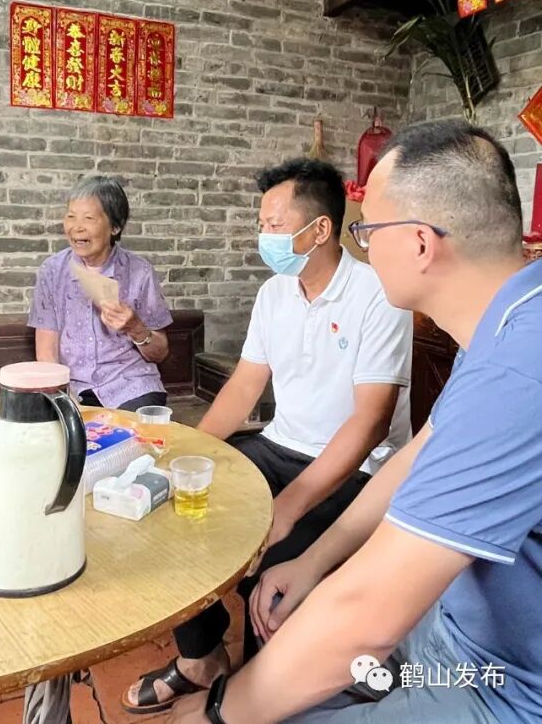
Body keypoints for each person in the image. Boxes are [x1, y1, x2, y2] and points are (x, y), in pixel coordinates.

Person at [168, 121, 542, 724]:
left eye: (369, 230)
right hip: (454, 629)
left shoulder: (517, 368)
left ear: (419, 244)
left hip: (500, 685)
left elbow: (368, 610)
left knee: (275, 701)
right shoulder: (510, 322)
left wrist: (220, 713)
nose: (363, 244)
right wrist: (315, 562)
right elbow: (420, 452)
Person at [124, 159, 413, 714]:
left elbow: (370, 422)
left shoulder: (377, 294)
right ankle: (202, 657)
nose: (264, 237)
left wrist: (288, 505)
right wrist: (185, 453)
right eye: (262, 224)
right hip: (277, 445)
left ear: (320, 229)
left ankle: (259, 694)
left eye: (275, 224)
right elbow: (243, 387)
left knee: (273, 556)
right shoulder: (275, 293)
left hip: (353, 468)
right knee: (172, 507)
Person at [29, 175, 173, 412]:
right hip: (73, 387)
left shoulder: (140, 272)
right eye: (71, 216)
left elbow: (160, 353)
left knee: (131, 430)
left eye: (88, 218)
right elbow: (46, 352)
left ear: (115, 227)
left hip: (130, 384)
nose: (77, 227)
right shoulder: (52, 271)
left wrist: (135, 327)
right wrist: (64, 400)